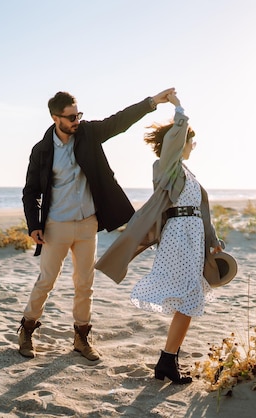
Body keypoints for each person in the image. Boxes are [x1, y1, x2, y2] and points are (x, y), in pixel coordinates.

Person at [19, 88, 176, 361]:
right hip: (57, 225)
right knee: (46, 281)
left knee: (85, 284)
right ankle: (27, 330)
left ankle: (81, 338)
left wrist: (152, 102)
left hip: (87, 224)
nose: (76, 120)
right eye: (70, 117)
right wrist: (34, 225)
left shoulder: (89, 134)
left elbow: (119, 121)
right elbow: (30, 190)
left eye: (78, 114)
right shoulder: (42, 150)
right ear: (56, 118)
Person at [95, 92, 222, 383]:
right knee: (189, 297)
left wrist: (212, 239)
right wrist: (178, 108)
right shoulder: (167, 167)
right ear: (178, 142)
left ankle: (168, 360)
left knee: (190, 298)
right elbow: (177, 137)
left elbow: (201, 211)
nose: (193, 145)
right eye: (191, 140)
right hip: (178, 238)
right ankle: (167, 361)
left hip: (193, 237)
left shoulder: (189, 174)